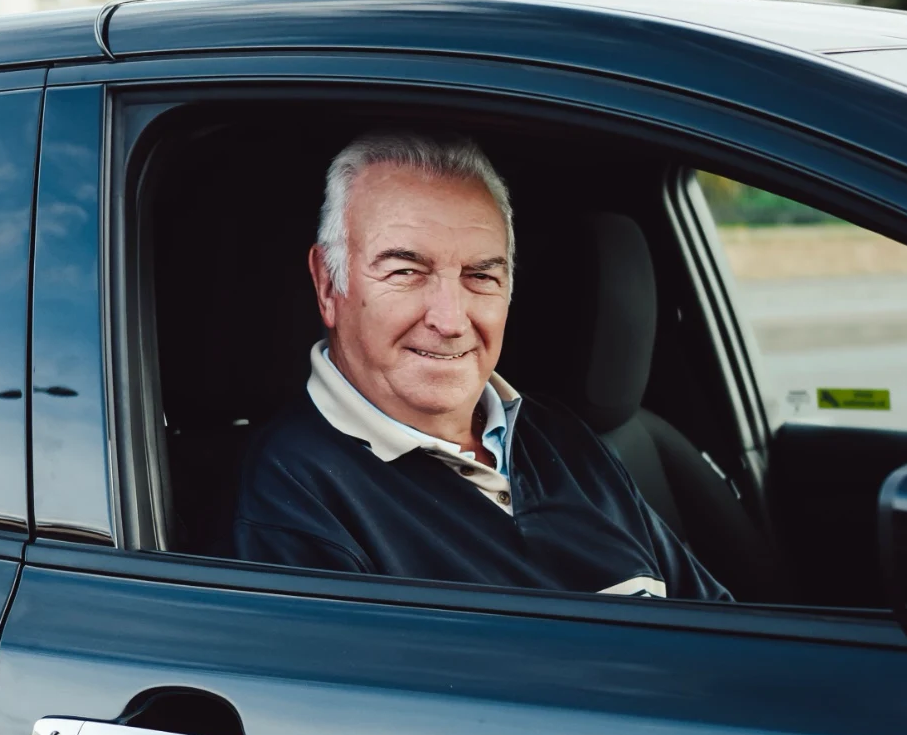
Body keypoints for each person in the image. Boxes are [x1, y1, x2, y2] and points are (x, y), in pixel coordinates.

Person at [231, 132, 726, 600]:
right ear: (327, 286)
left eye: (481, 275)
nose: (450, 320)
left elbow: (717, 630)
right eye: (405, 271)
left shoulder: (561, 437)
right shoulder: (293, 497)